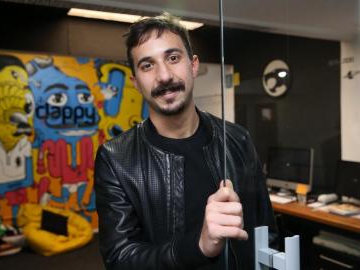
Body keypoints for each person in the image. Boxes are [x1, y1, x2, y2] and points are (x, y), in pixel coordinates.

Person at [95, 12, 277, 270]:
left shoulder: (238, 139)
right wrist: (198, 246)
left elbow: (266, 233)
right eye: (147, 65)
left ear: (193, 65)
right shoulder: (115, 159)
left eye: (172, 58)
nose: (164, 76)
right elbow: (120, 259)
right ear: (135, 82)